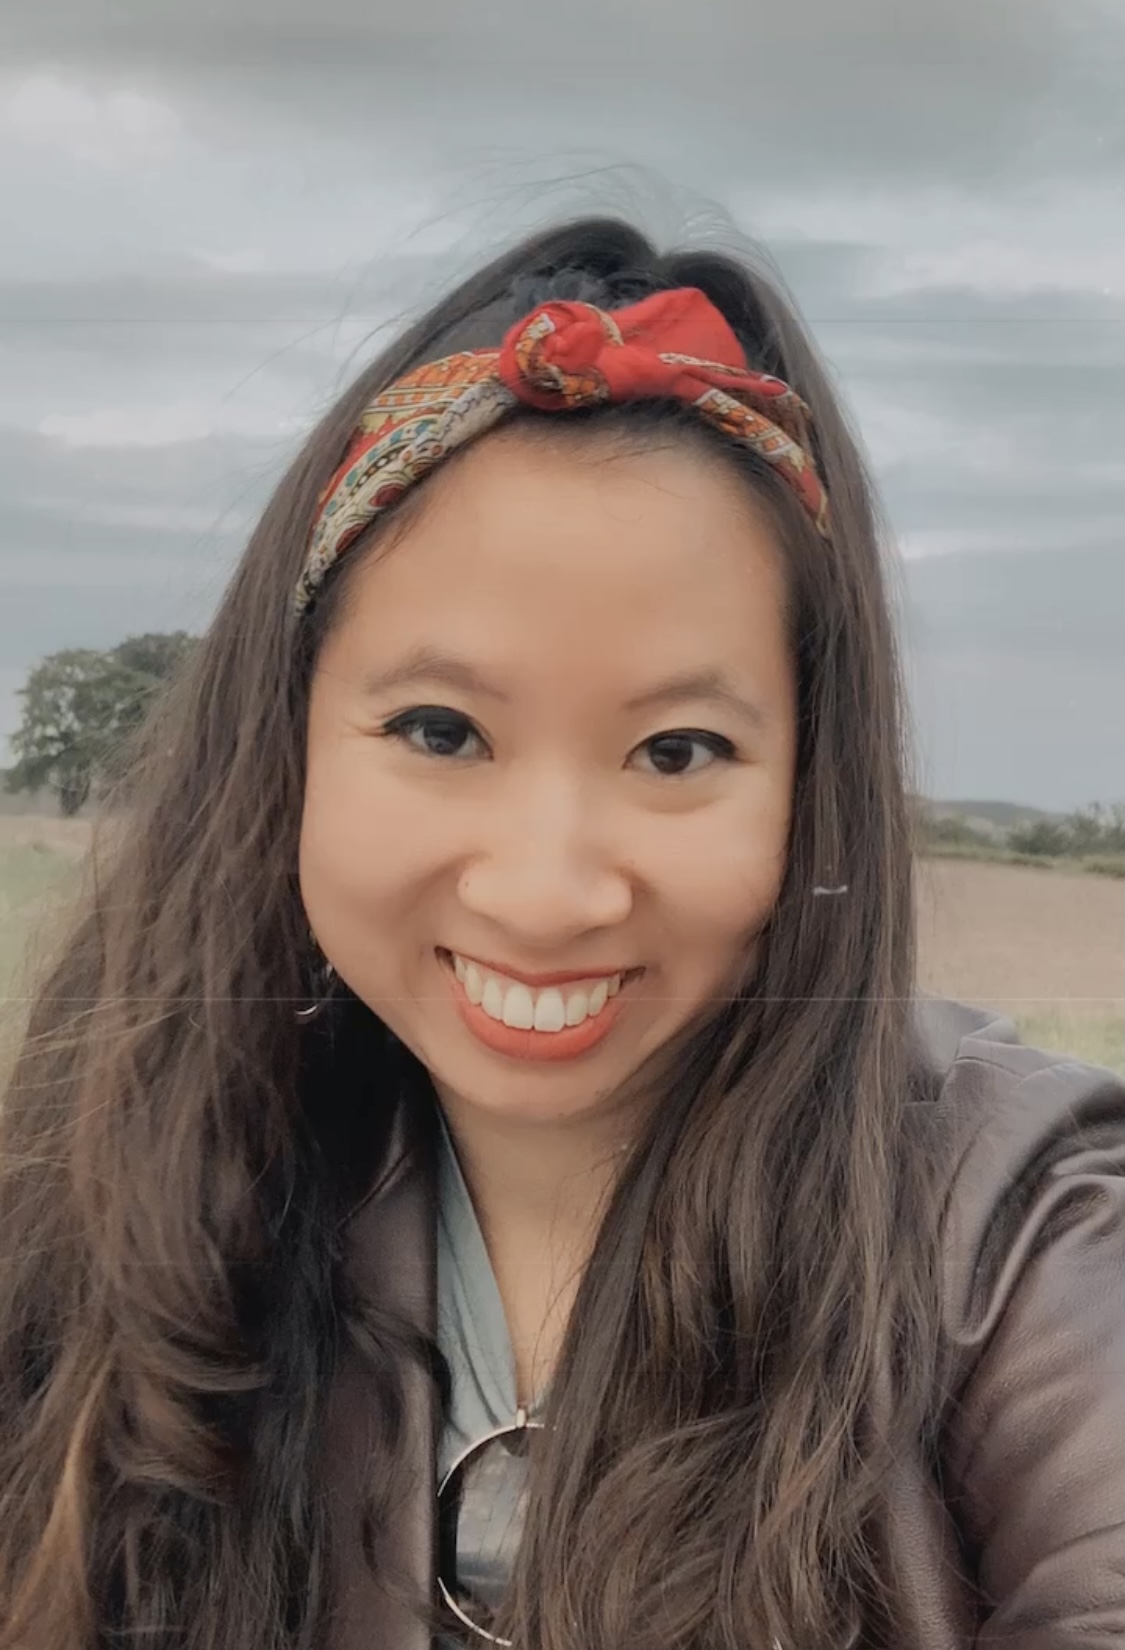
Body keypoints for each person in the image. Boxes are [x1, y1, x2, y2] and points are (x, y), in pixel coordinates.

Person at [0, 216, 1122, 1650]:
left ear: (809, 787)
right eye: (440, 729)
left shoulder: (1022, 1229)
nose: (545, 893)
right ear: (284, 747)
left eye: (676, 750)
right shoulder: (109, 1189)